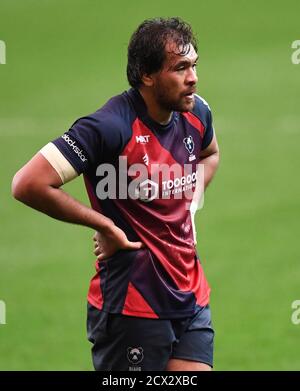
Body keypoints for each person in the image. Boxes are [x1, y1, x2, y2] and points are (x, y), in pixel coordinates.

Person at [12, 17, 220, 371]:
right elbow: (28, 183)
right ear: (147, 74)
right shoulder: (110, 126)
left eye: (194, 65)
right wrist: (106, 226)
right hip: (132, 307)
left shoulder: (196, 113)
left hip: (190, 297)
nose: (193, 78)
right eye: (180, 68)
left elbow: (209, 154)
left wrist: (187, 203)